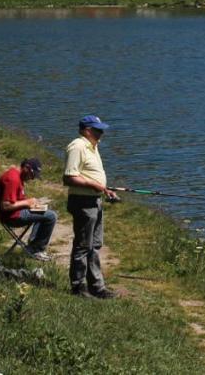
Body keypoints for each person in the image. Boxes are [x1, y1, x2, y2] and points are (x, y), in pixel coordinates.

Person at [63, 115, 119, 299]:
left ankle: (97, 286)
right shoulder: (77, 147)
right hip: (82, 202)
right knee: (83, 245)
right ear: (87, 130)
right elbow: (69, 177)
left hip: (95, 201)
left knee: (95, 245)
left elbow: (90, 174)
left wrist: (104, 189)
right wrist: (94, 185)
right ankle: (78, 286)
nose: (101, 133)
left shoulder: (93, 147)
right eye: (97, 130)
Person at [0, 158, 57, 261]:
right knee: (51, 216)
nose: (32, 179)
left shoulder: (18, 177)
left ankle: (33, 244)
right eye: (32, 175)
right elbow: (5, 206)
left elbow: (16, 201)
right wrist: (27, 203)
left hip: (15, 212)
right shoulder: (13, 179)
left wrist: (31, 203)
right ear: (27, 168)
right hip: (11, 217)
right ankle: (36, 249)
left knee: (45, 211)